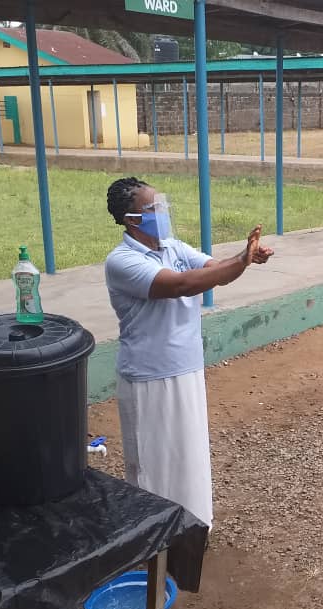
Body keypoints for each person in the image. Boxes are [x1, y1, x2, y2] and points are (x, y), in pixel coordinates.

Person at [105, 177, 273, 529]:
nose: (161, 212)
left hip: (186, 368)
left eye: (161, 204)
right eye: (153, 209)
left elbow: (214, 272)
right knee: (155, 462)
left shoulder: (172, 246)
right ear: (130, 219)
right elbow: (181, 284)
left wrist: (244, 260)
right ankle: (152, 536)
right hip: (149, 376)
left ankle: (191, 528)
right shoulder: (121, 262)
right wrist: (242, 258)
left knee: (188, 456)